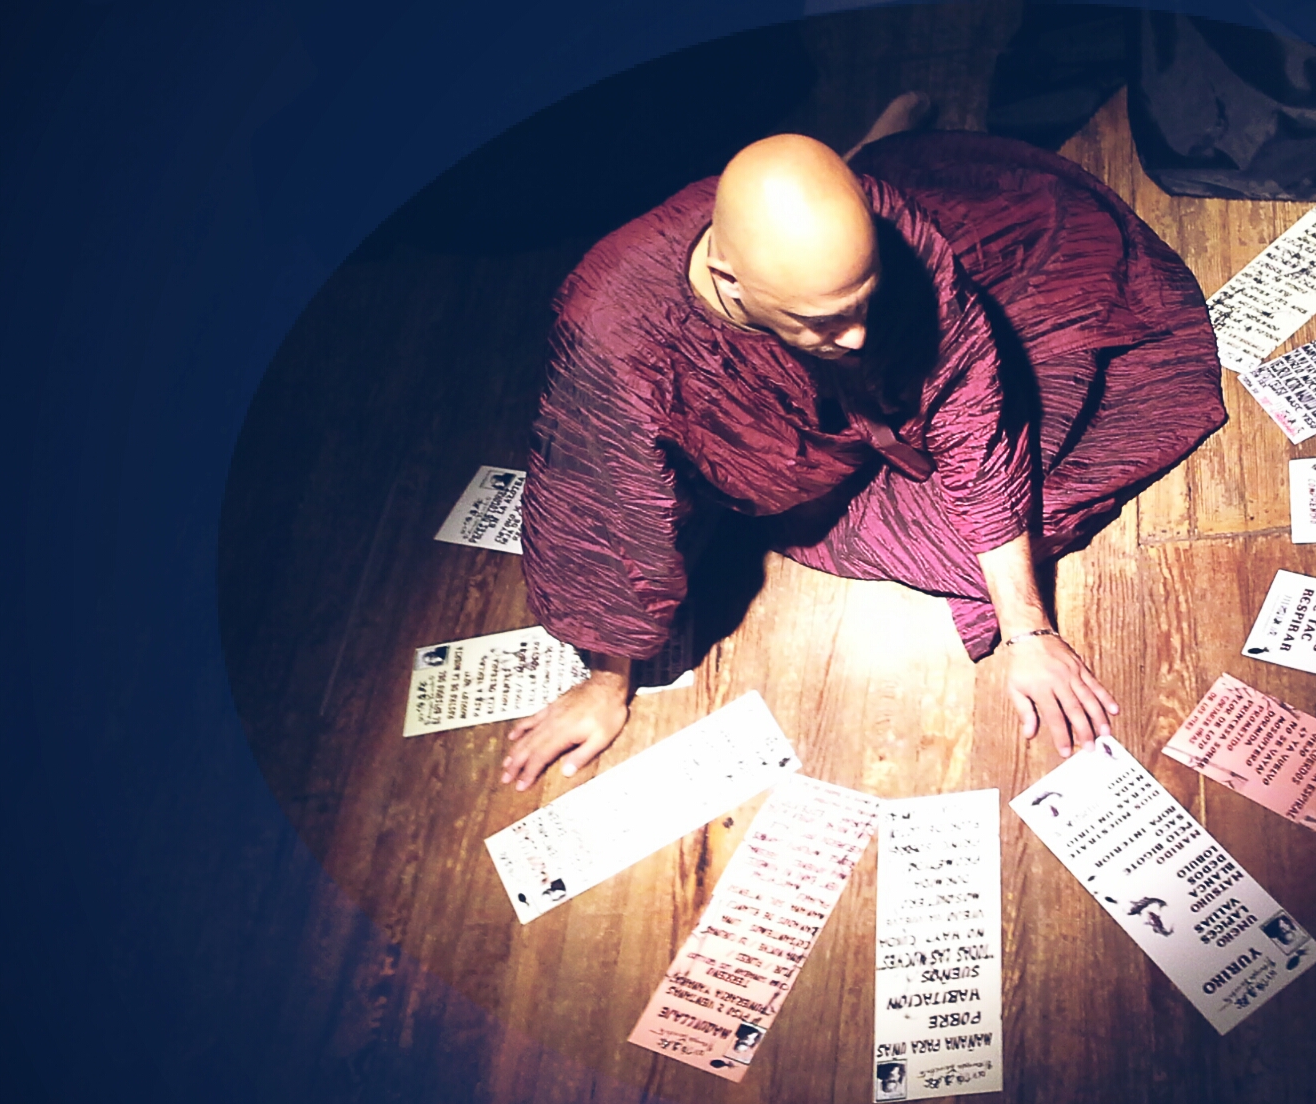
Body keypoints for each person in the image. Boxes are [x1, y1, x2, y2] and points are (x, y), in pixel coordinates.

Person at [501, 99, 1226, 790]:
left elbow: (975, 415)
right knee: (951, 548)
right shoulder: (611, 338)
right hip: (771, 471)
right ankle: (867, 153)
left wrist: (1027, 631)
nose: (855, 338)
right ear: (728, 281)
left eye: (865, 301)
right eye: (821, 321)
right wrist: (605, 683)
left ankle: (865, 160)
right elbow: (605, 520)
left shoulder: (892, 225)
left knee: (1059, 414)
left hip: (878, 388)